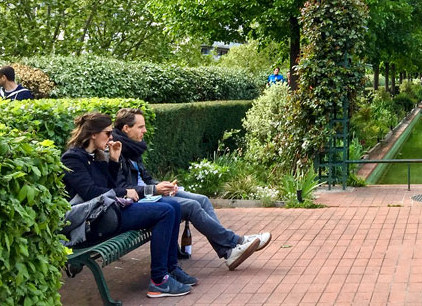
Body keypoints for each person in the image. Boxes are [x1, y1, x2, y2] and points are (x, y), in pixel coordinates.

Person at [112, 108, 269, 270]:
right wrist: (155, 189)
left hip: (151, 194)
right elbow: (123, 189)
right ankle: (235, 243)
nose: (144, 130)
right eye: (140, 127)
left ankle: (229, 251)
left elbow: (146, 179)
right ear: (126, 128)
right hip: (140, 202)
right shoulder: (118, 151)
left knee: (203, 199)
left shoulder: (133, 148)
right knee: (192, 206)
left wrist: (164, 186)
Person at [61, 112, 195, 298]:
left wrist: (114, 161)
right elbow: (90, 193)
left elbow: (108, 186)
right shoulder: (73, 159)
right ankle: (159, 281)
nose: (111, 137)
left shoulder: (96, 155)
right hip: (94, 221)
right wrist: (123, 193)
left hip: (108, 211)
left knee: (174, 206)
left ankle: (170, 269)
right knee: (165, 211)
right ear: (93, 134)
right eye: (107, 133)